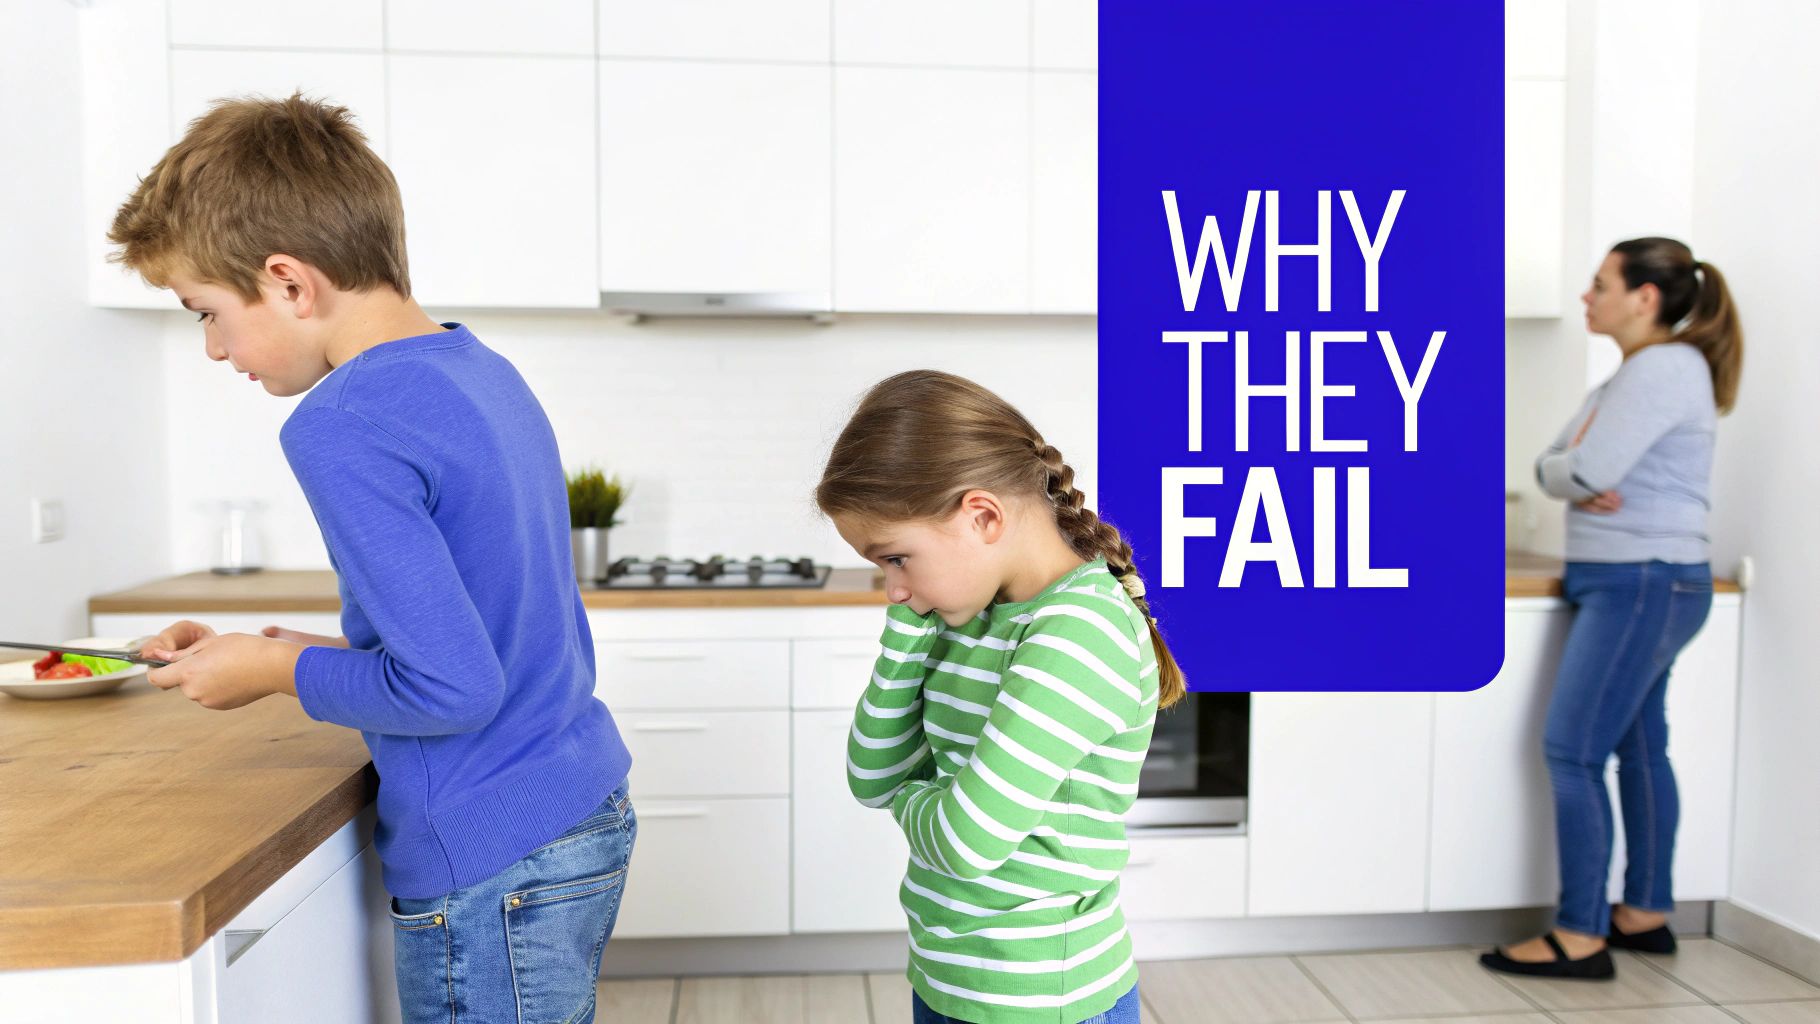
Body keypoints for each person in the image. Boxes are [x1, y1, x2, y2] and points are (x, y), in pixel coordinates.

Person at [111, 94, 635, 1022]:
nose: (213, 349)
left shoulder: (342, 422)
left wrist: (275, 671)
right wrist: (277, 646)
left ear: (288, 281)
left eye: (205, 312)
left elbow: (453, 691)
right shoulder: (477, 368)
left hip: (488, 853)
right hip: (576, 807)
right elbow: (487, 633)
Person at [819, 369, 1186, 1023]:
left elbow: (966, 840)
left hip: (1043, 999)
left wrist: (912, 796)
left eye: (896, 559)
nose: (893, 587)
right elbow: (869, 777)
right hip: (948, 977)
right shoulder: (975, 610)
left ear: (982, 516)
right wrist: (908, 630)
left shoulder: (1078, 630)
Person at [1483, 237, 1743, 980]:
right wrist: (1569, 468)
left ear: (1645, 297)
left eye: (1599, 285)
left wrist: (1571, 469)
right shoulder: (1634, 375)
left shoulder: (1662, 369)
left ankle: (1579, 935)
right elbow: (1551, 464)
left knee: (1571, 752)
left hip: (1641, 582)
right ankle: (1645, 913)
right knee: (1638, 747)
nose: (1586, 297)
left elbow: (1579, 466)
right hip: (1642, 581)